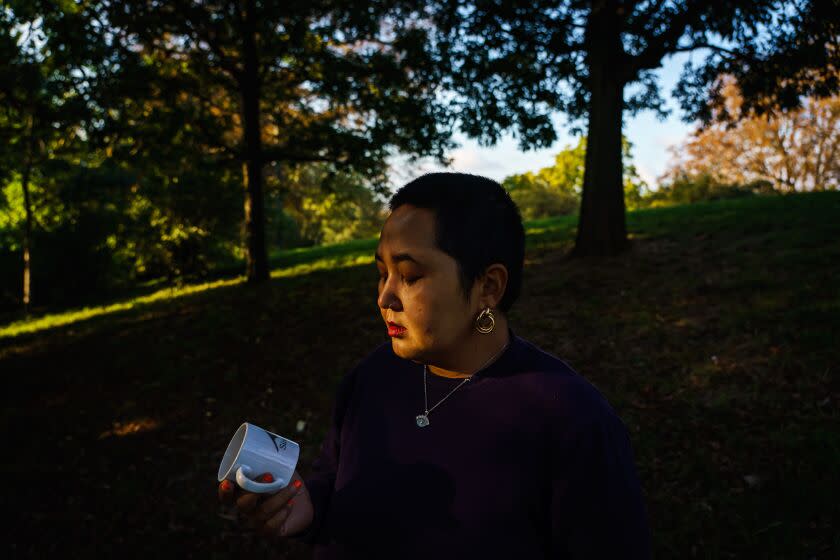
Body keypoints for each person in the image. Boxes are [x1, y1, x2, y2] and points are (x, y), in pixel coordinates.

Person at [219, 172, 651, 559]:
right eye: (382, 273)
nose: (385, 298)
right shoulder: (369, 381)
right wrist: (302, 509)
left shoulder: (570, 419)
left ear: (488, 286)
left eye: (409, 276)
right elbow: (332, 485)